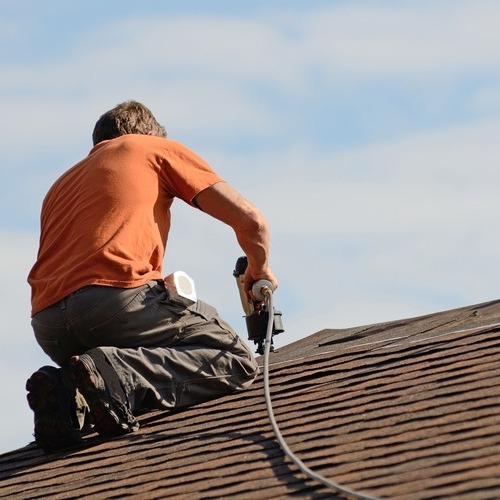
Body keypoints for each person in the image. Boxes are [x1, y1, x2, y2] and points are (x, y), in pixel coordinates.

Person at [26, 100, 278, 451]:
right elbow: (252, 222)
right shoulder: (149, 148)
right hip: (114, 302)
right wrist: (259, 268)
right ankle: (117, 373)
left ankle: (70, 397)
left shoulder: (61, 184)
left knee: (100, 374)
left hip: (49, 325)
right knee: (233, 358)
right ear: (147, 133)